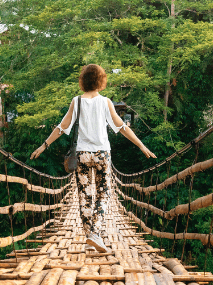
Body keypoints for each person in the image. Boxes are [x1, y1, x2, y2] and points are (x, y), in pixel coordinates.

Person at [29, 64, 156, 253]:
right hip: (102, 154)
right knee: (104, 193)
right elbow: (122, 127)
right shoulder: (105, 102)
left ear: (83, 81)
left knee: (85, 196)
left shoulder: (76, 101)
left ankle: (91, 235)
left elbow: (61, 127)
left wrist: (44, 145)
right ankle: (96, 234)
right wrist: (141, 145)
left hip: (81, 155)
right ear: (101, 80)